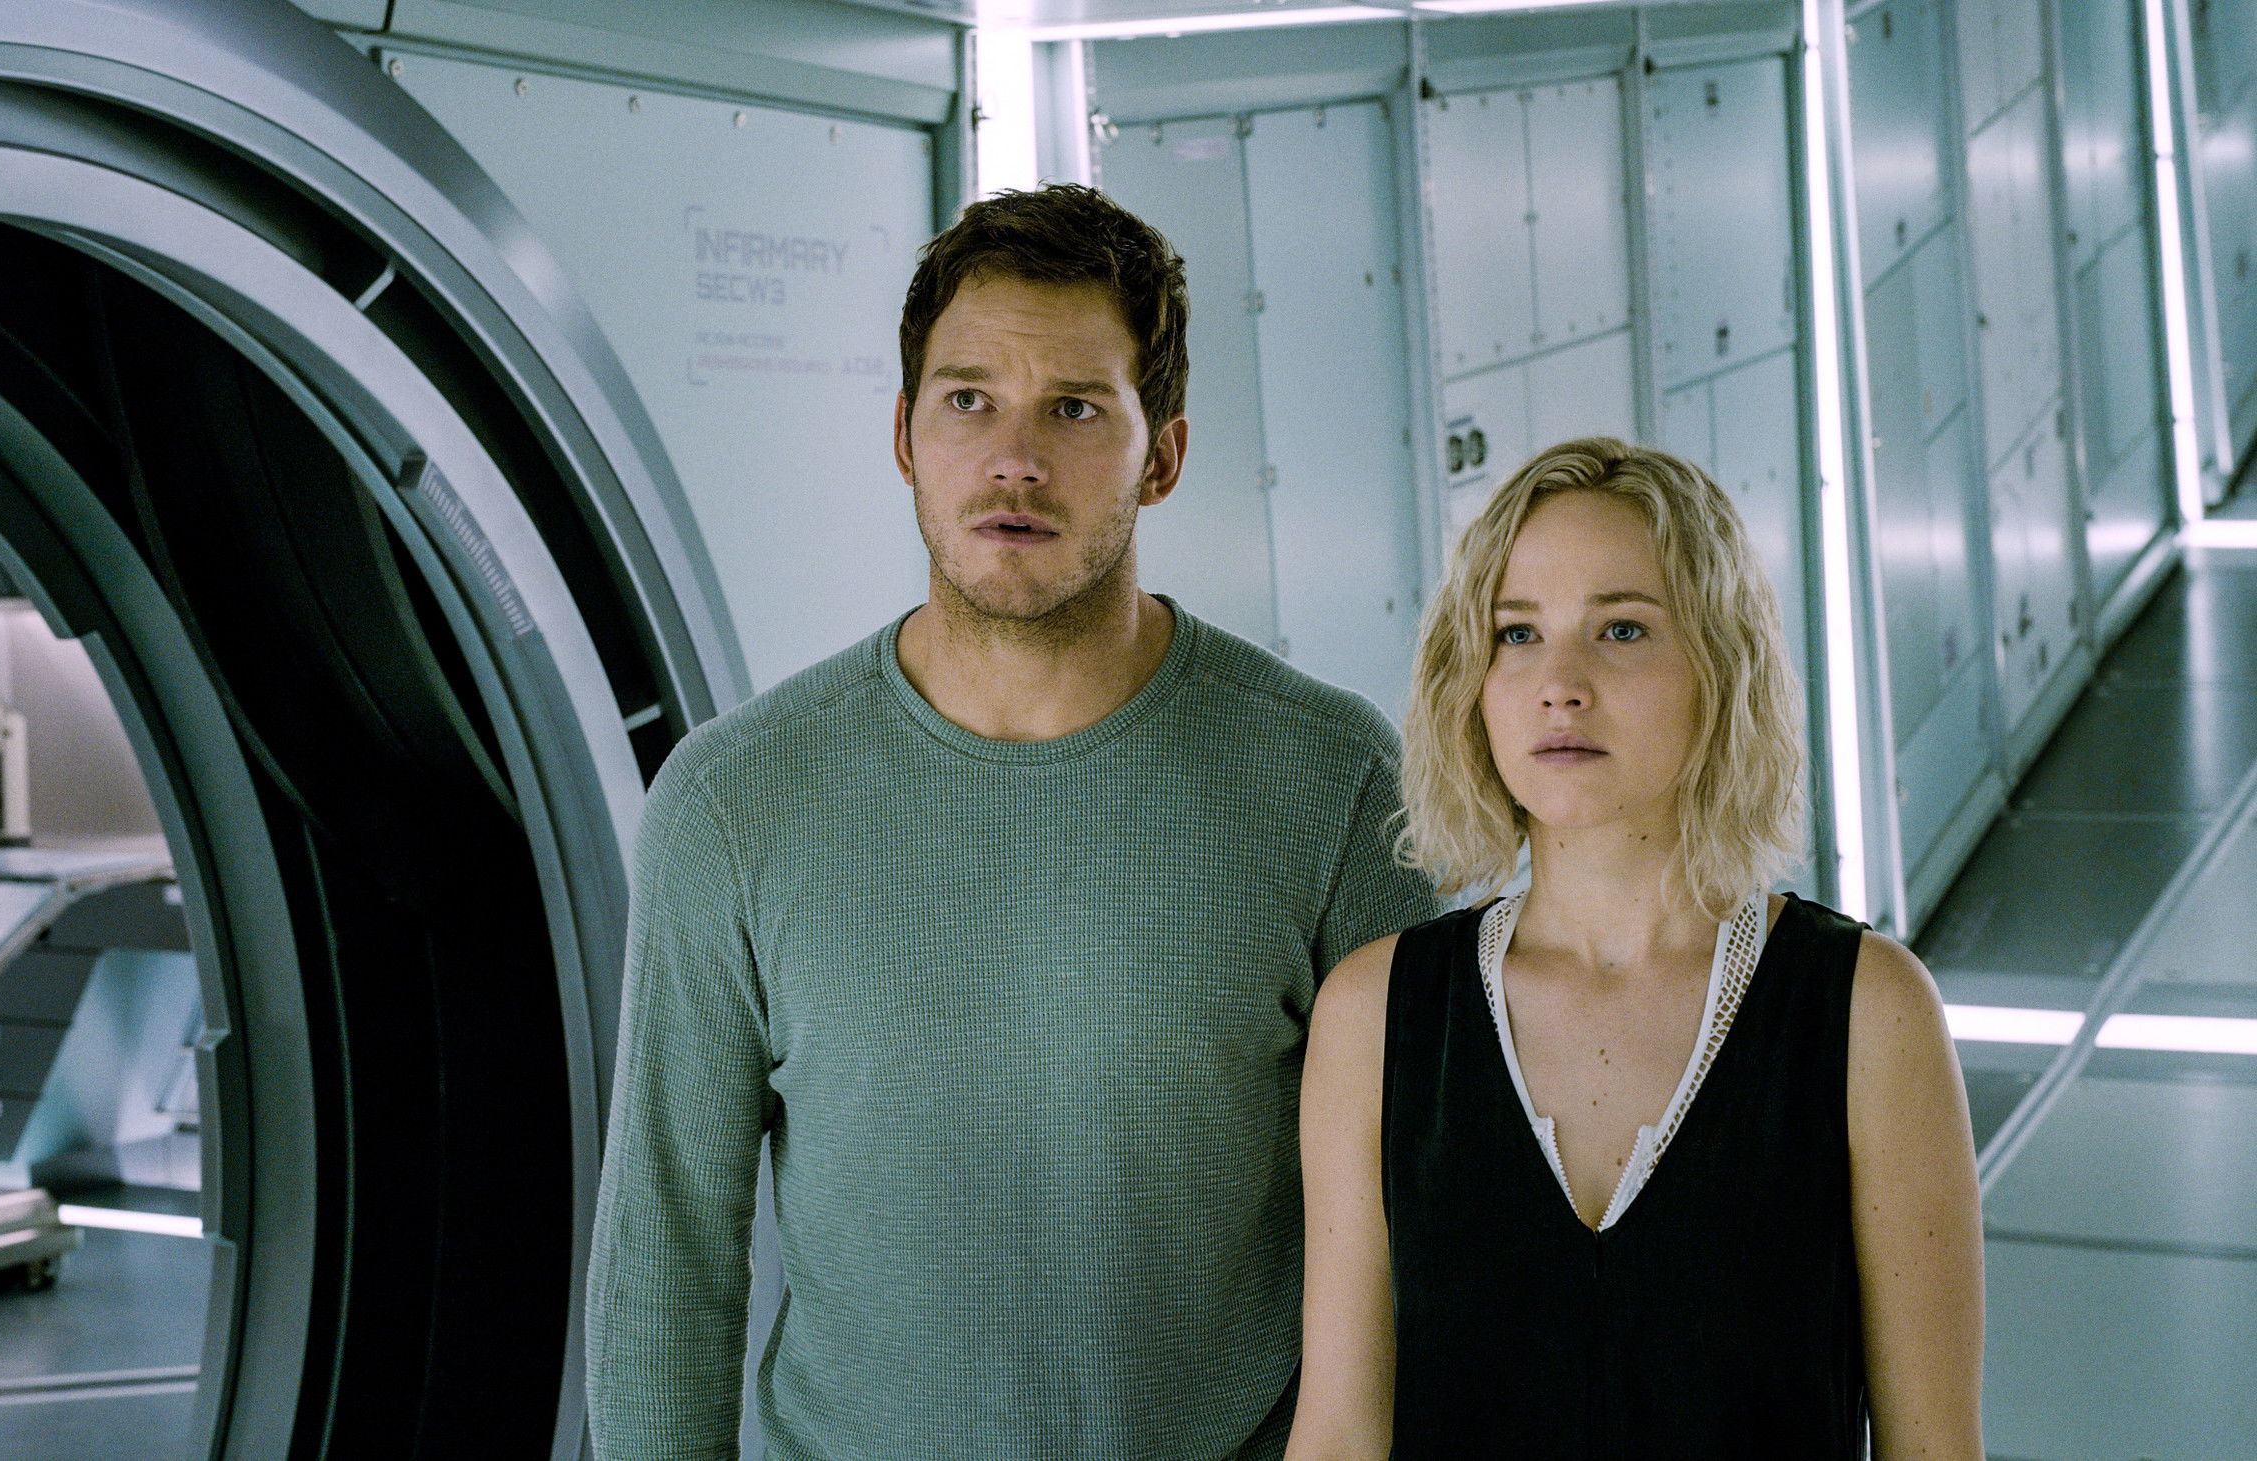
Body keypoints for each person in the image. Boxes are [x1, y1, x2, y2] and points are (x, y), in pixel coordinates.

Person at [584, 183, 1440, 1460]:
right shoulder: (731, 802)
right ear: (903, 435)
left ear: (1163, 456)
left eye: (1075, 409)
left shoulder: (1331, 782)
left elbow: (1422, 1239)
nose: (1014, 460)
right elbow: (667, 1257)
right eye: (968, 401)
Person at [1290, 439, 1985, 1460]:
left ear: (1720, 667)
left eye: (1621, 629)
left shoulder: (1865, 1011)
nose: (1559, 683)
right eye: (1516, 634)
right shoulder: (1376, 1014)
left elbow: (1932, 1445)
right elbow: (1341, 1432)